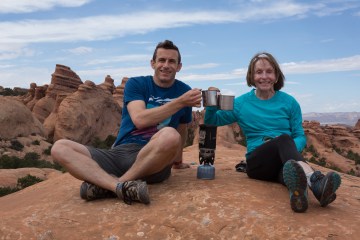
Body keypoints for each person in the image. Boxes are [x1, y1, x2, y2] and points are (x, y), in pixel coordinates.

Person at [51, 40, 202, 205]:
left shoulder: (184, 91)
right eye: (161, 60)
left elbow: (181, 129)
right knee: (60, 147)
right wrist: (180, 102)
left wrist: (178, 162)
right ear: (153, 63)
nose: (166, 65)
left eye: (171, 61)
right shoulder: (136, 84)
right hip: (119, 154)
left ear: (179, 66)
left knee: (170, 135)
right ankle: (118, 186)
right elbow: (140, 120)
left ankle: (110, 185)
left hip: (154, 159)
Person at [204, 52, 341, 213]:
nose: (264, 76)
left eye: (269, 71)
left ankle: (298, 194)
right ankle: (316, 181)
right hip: (258, 164)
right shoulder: (241, 103)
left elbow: (299, 136)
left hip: (282, 163)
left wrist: (287, 147)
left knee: (290, 172)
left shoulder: (290, 103)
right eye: (259, 72)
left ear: (276, 76)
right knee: (284, 139)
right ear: (251, 76)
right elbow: (212, 121)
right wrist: (211, 100)